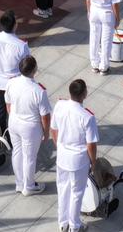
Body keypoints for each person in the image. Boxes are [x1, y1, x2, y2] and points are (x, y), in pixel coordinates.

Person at [50, 79, 98, 232]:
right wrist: (93, 162)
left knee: (62, 189)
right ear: (84, 94)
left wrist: (59, 146)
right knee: (77, 193)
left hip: (62, 156)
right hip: (78, 160)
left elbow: (54, 130)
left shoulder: (60, 105)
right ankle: (74, 226)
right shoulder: (87, 117)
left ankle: (63, 223)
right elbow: (91, 144)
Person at [4, 56, 51, 196]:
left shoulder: (11, 83)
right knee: (29, 157)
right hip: (30, 126)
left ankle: (20, 183)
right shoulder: (39, 91)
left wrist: (15, 117)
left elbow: (8, 105)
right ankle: (29, 186)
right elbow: (45, 116)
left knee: (17, 153)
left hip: (14, 120)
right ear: (34, 70)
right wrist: (46, 132)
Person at [0, 11, 29, 135]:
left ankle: (0, 137)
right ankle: (13, 135)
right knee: (14, 111)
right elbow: (25, 66)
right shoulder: (21, 46)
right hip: (15, 83)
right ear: (15, 25)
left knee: (0, 110)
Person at [82, 0, 121, 75]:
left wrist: (89, 12)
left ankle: (94, 64)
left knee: (93, 37)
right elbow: (115, 5)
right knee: (106, 40)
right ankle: (104, 66)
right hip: (107, 13)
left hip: (94, 11)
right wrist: (117, 18)